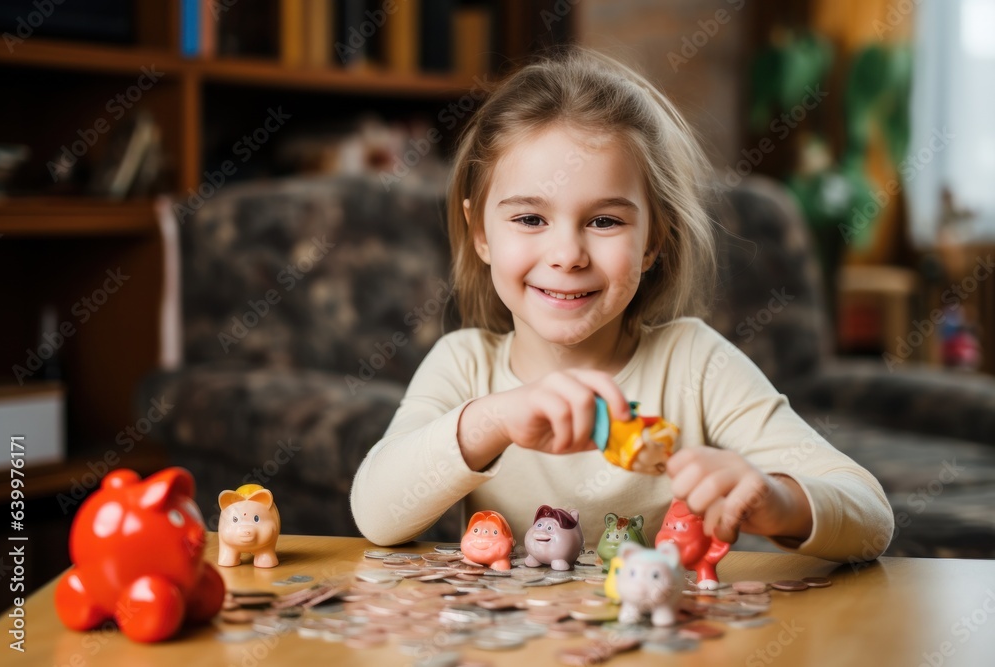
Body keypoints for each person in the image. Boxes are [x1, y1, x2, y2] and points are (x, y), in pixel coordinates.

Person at [350, 48, 894, 562]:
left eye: (605, 221)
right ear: (480, 233)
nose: (566, 255)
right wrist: (491, 420)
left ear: (654, 239)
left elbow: (871, 517)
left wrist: (779, 502)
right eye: (530, 219)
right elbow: (376, 516)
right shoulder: (463, 365)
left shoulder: (695, 364)